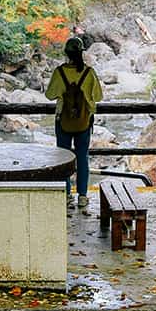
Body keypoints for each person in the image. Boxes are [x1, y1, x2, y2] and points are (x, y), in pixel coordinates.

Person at [45, 36, 103, 209]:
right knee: (83, 157)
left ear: (66, 53)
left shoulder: (59, 72)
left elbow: (49, 95)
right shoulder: (89, 73)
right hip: (84, 121)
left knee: (63, 158)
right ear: (82, 52)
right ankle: (83, 196)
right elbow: (98, 96)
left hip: (63, 120)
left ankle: (67, 194)